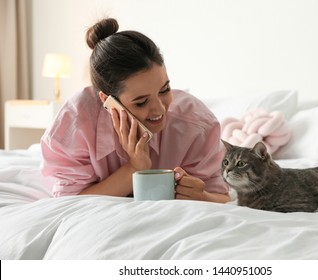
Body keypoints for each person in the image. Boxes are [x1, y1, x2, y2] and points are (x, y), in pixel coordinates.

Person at [40, 18, 230, 203]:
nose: (159, 108)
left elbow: (221, 196)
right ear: (108, 101)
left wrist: (202, 197)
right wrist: (135, 167)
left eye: (164, 90)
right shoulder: (77, 123)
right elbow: (69, 203)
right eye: (141, 102)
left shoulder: (196, 125)